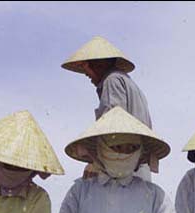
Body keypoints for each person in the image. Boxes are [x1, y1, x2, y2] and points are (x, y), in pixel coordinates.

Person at [62, 35, 153, 181]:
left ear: (99, 64)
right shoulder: (128, 83)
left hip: (122, 166)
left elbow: (114, 128)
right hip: (136, 165)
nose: (87, 75)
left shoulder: (112, 81)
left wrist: (95, 164)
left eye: (88, 68)